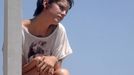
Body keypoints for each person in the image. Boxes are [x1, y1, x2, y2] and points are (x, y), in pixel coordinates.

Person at [22, 0, 74, 75]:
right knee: (39, 63)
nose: (64, 13)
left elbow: (57, 69)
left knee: (63, 73)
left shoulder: (59, 30)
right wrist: (36, 62)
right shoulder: (19, 30)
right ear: (46, 3)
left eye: (66, 11)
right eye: (61, 7)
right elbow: (13, 70)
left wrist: (53, 59)